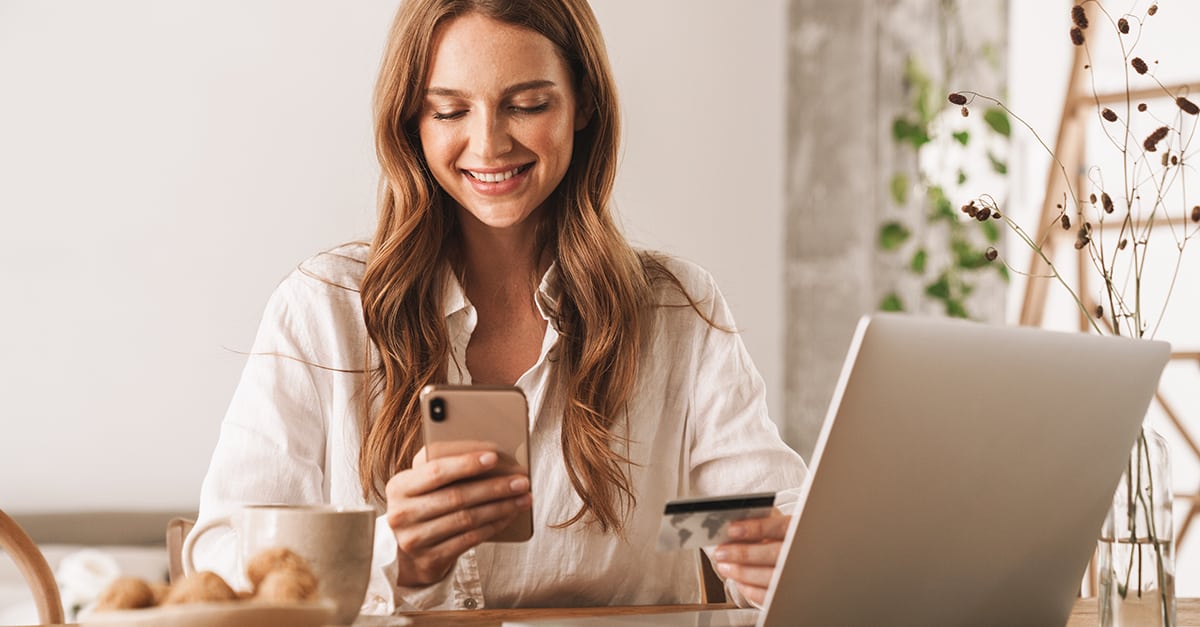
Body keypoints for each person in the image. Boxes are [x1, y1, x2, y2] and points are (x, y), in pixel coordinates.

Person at [191, 0, 807, 614]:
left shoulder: (674, 310)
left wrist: (787, 561)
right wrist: (390, 559)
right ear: (412, 121)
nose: (488, 144)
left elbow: (771, 514)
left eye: (528, 105)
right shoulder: (324, 309)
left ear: (583, 103)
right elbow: (223, 563)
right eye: (449, 109)